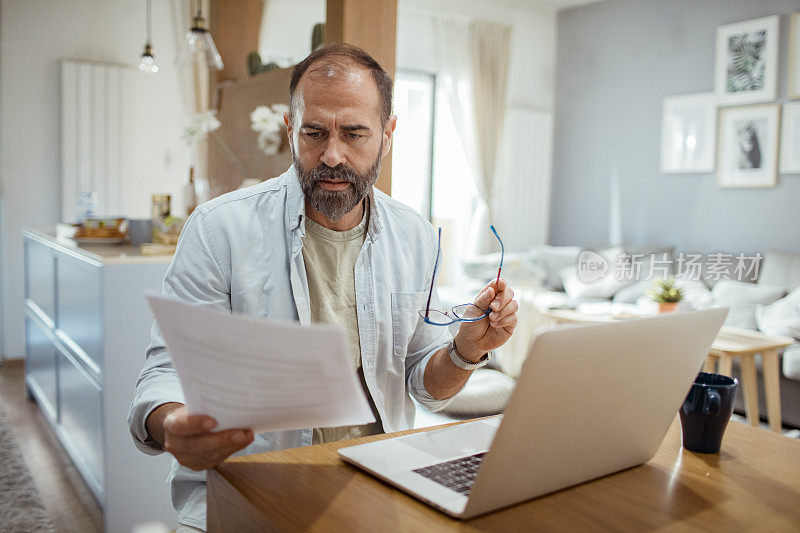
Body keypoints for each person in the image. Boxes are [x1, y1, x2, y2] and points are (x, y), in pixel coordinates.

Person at [128, 43, 518, 532]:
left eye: (354, 133)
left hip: (379, 490)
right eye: (314, 133)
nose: (332, 154)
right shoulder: (218, 229)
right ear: (291, 132)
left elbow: (424, 384)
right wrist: (172, 423)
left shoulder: (415, 236)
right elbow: (165, 372)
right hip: (246, 492)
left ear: (388, 134)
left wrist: (464, 351)